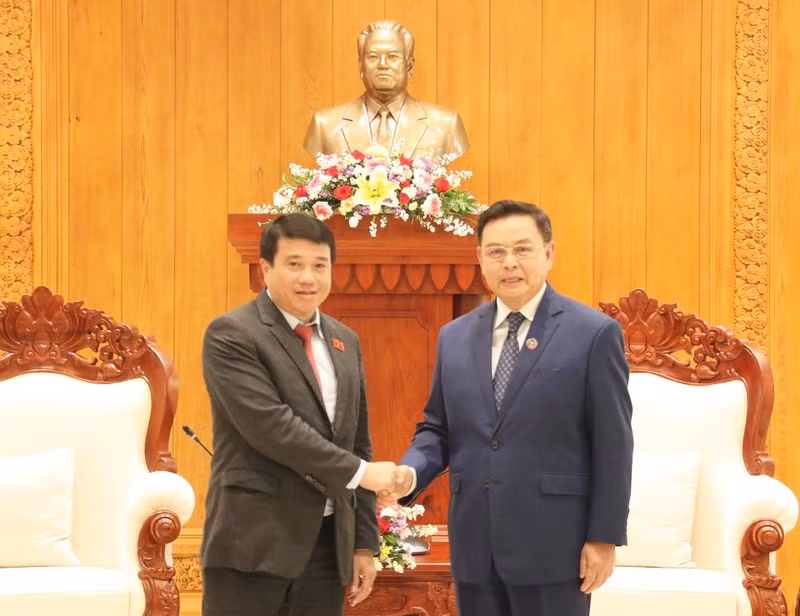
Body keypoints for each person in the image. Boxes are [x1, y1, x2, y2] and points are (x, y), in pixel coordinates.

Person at [384, 200, 634, 616]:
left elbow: (614, 444)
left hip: (557, 548)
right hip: (476, 548)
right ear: (480, 258)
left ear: (549, 253)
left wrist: (604, 537)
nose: (509, 262)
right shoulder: (454, 336)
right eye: (496, 251)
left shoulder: (593, 334)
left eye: (523, 249)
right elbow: (437, 429)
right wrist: (408, 473)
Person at [200, 213, 398, 616]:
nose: (308, 277)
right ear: (265, 269)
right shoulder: (232, 334)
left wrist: (363, 543)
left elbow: (358, 440)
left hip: (327, 548)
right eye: (294, 264)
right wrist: (364, 473)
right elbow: (273, 428)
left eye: (319, 265)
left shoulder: (346, 340)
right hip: (253, 545)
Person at [303, 20, 469, 161]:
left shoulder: (446, 124)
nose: (383, 64)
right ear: (361, 66)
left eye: (393, 56)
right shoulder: (325, 125)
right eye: (373, 56)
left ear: (409, 66)